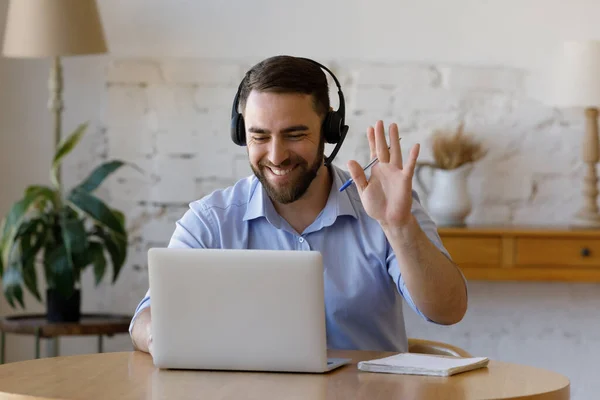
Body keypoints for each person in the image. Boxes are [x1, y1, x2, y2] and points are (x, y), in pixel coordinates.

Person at [129, 55, 468, 356]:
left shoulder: (386, 206)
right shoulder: (210, 220)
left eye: (294, 135)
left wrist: (399, 227)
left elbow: (448, 310)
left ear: (330, 130)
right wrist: (166, 338)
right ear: (240, 133)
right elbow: (145, 319)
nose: (276, 156)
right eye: (259, 136)